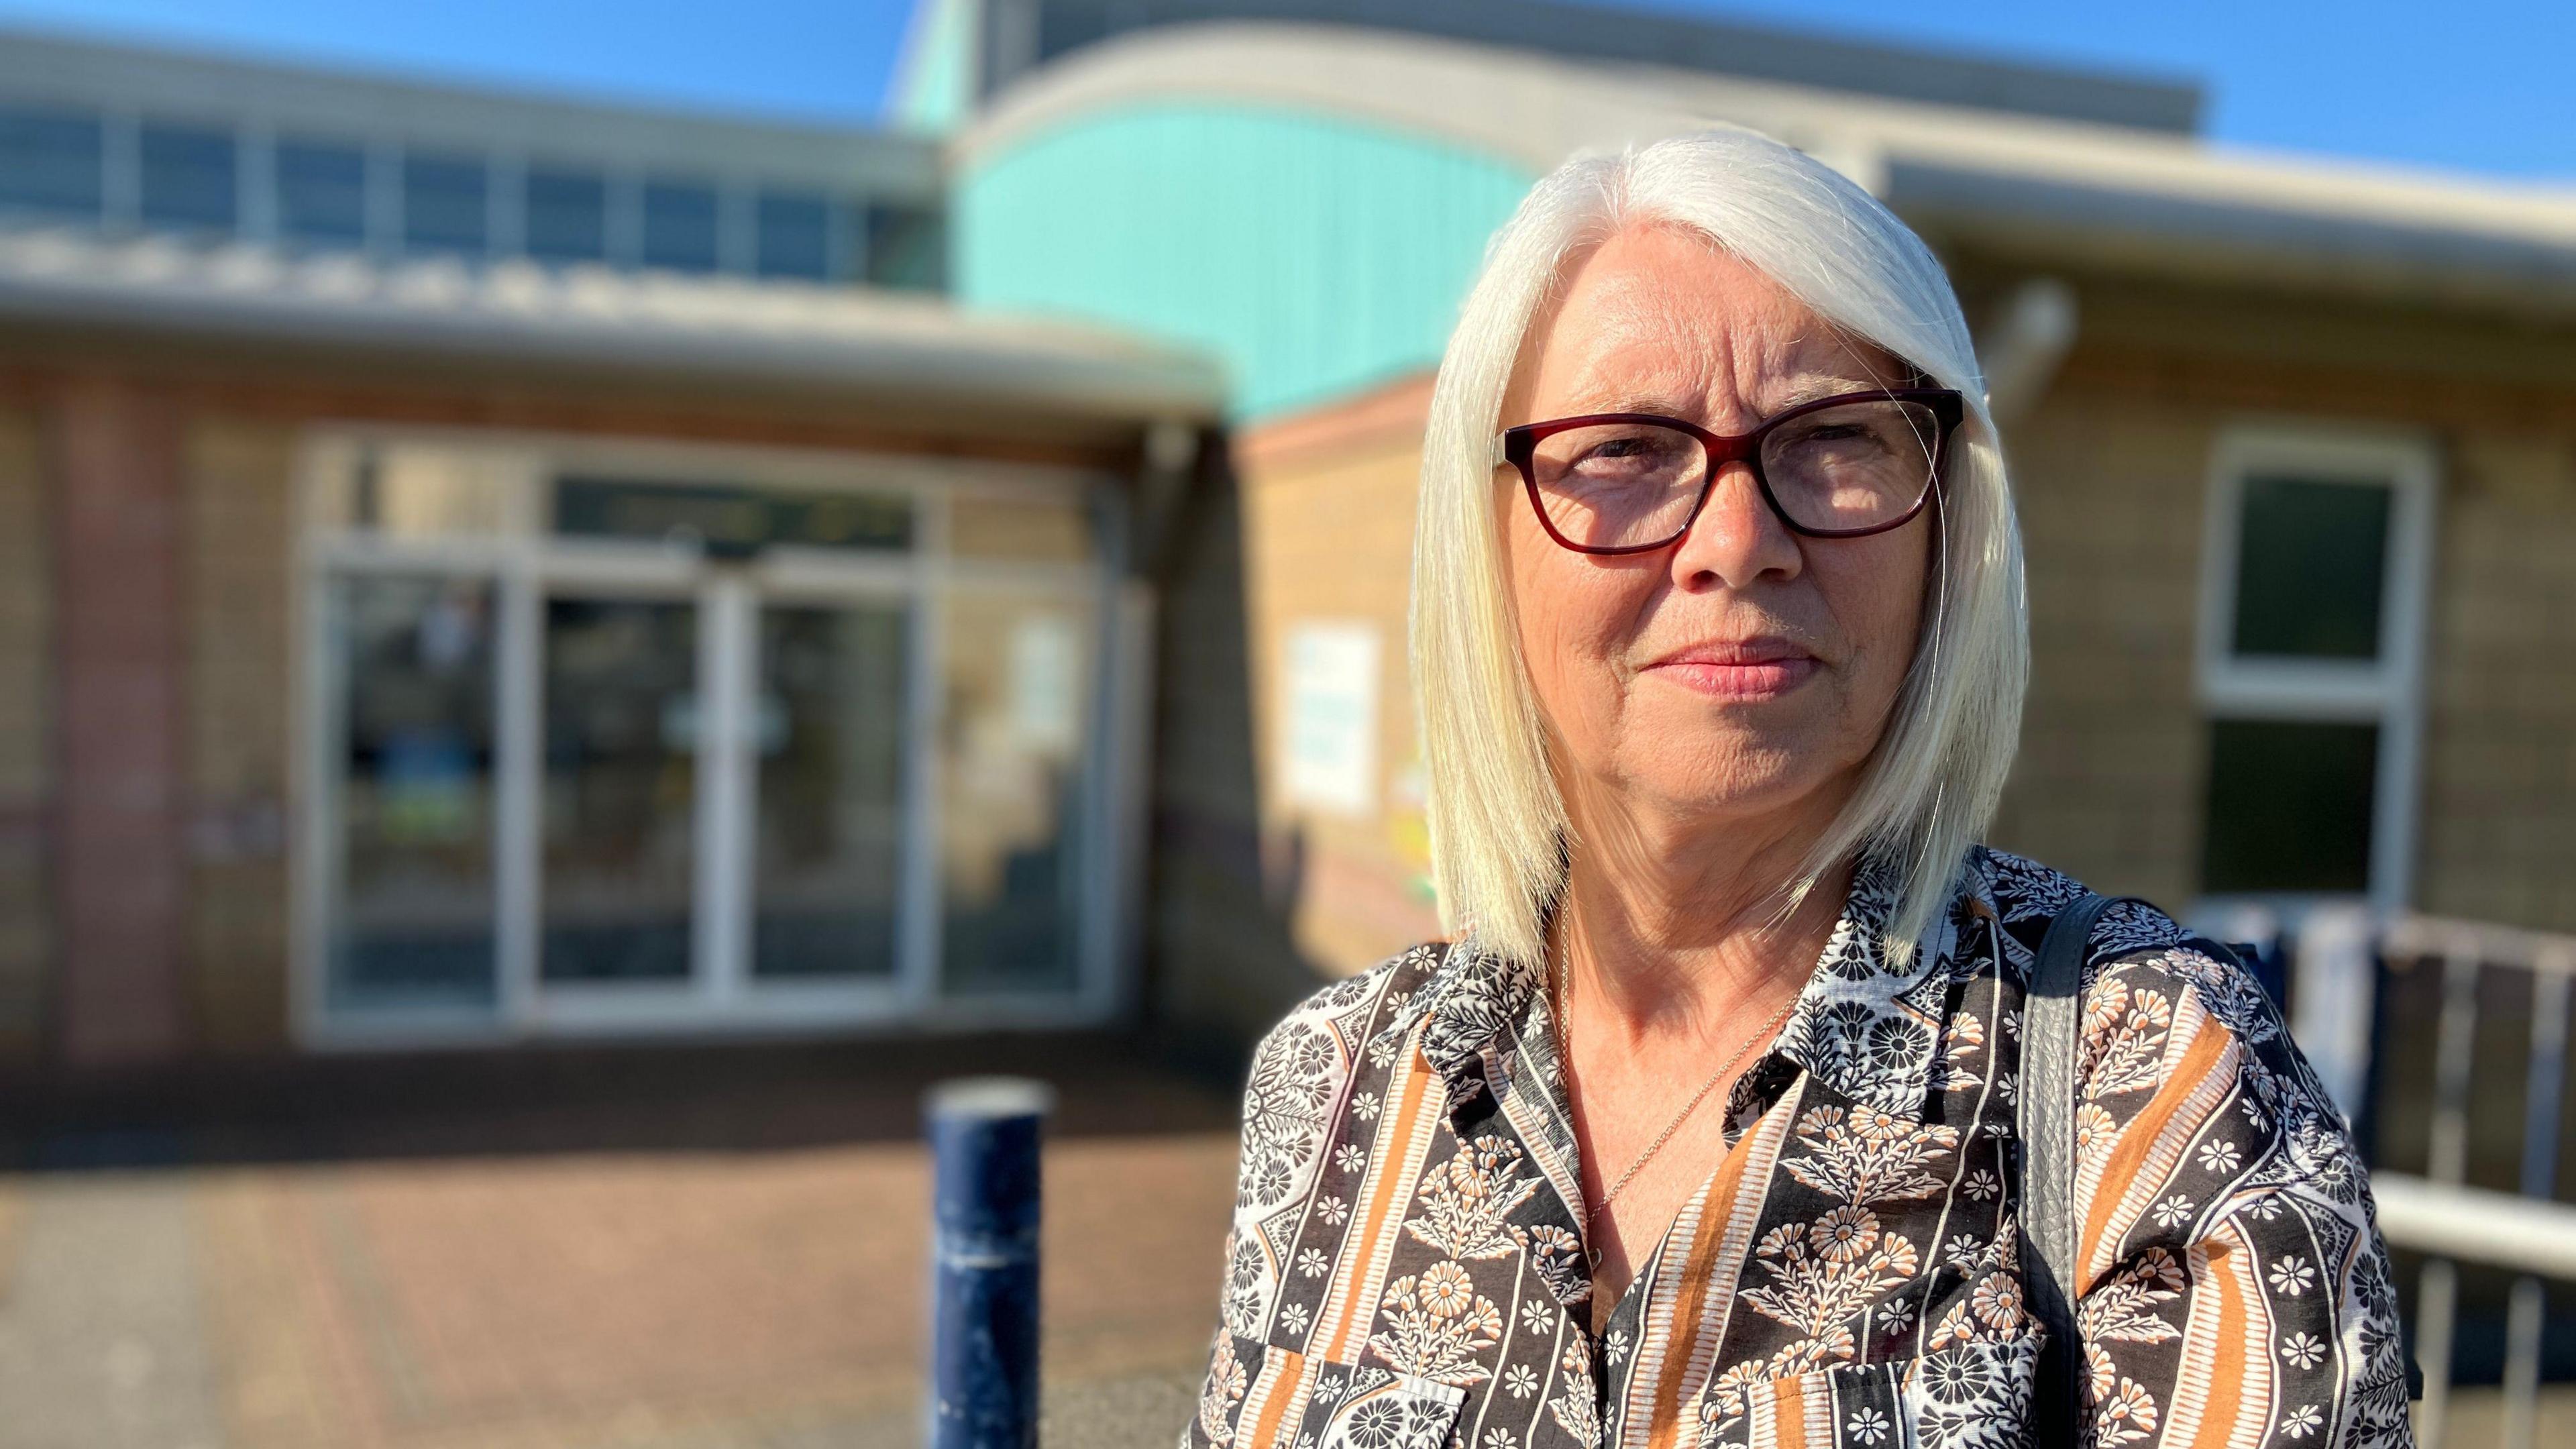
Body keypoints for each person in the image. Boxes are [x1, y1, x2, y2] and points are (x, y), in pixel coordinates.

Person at [1185, 127, 2409, 1449]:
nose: (1735, 543)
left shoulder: (2159, 1085)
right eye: (1624, 449)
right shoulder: (1338, 1082)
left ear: (1951, 525)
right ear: (1488, 538)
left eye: (1834, 438)